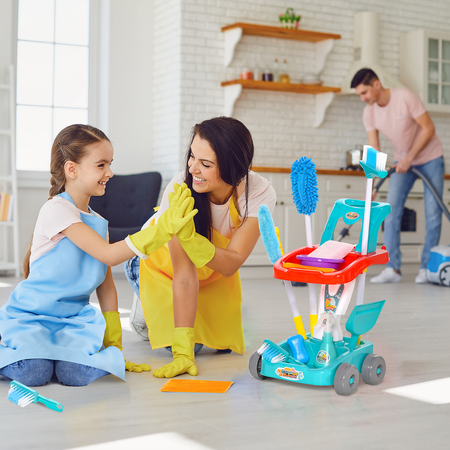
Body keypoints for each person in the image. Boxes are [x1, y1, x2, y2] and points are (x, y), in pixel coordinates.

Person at [0, 124, 197, 387]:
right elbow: (109, 255)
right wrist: (159, 231)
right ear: (72, 169)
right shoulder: (56, 210)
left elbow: (106, 287)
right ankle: (28, 352)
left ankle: (53, 357)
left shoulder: (99, 223)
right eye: (101, 165)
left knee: (77, 375)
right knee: (33, 374)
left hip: (73, 321)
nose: (110, 173)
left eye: (110, 164)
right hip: (34, 317)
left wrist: (114, 346)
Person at [125, 116, 276, 378]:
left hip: (211, 270)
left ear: (234, 170)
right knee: (190, 344)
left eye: (205, 164)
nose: (193, 168)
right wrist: (182, 351)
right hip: (159, 266)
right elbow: (183, 274)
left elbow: (232, 263)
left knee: (220, 345)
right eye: (192, 156)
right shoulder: (180, 188)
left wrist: (195, 243)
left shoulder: (258, 193)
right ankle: (142, 319)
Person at [351, 68, 445, 284]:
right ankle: (393, 269)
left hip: (430, 159)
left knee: (432, 214)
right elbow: (374, 150)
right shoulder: (369, 113)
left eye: (364, 92)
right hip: (402, 163)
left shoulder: (405, 97)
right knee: (390, 212)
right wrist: (372, 187)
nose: (363, 98)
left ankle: (426, 269)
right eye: (359, 95)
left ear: (376, 84)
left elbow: (428, 128)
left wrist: (410, 158)